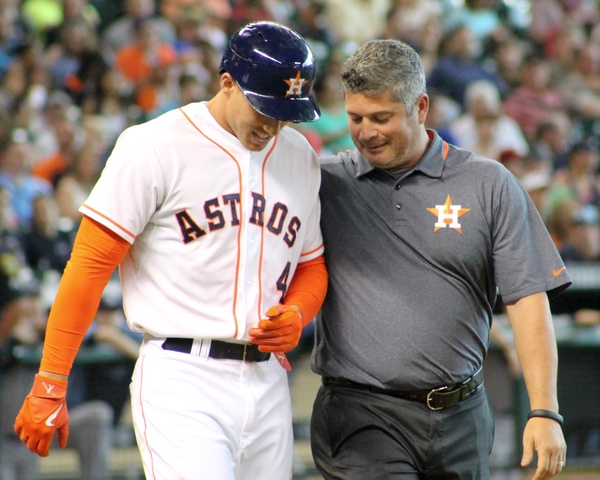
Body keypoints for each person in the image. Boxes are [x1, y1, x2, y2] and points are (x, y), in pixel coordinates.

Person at [13, 21, 328, 480]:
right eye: (264, 108)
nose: (273, 124)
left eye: (285, 113)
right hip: (184, 376)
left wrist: (298, 311)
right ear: (226, 83)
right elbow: (88, 268)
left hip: (268, 381)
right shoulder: (155, 145)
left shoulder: (299, 155)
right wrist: (50, 380)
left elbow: (312, 265)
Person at [310, 38, 570, 479]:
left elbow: (527, 299)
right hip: (361, 416)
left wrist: (545, 411)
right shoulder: (324, 181)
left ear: (421, 106)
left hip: (463, 415)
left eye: (382, 117)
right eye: (355, 118)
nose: (367, 131)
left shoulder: (489, 184)